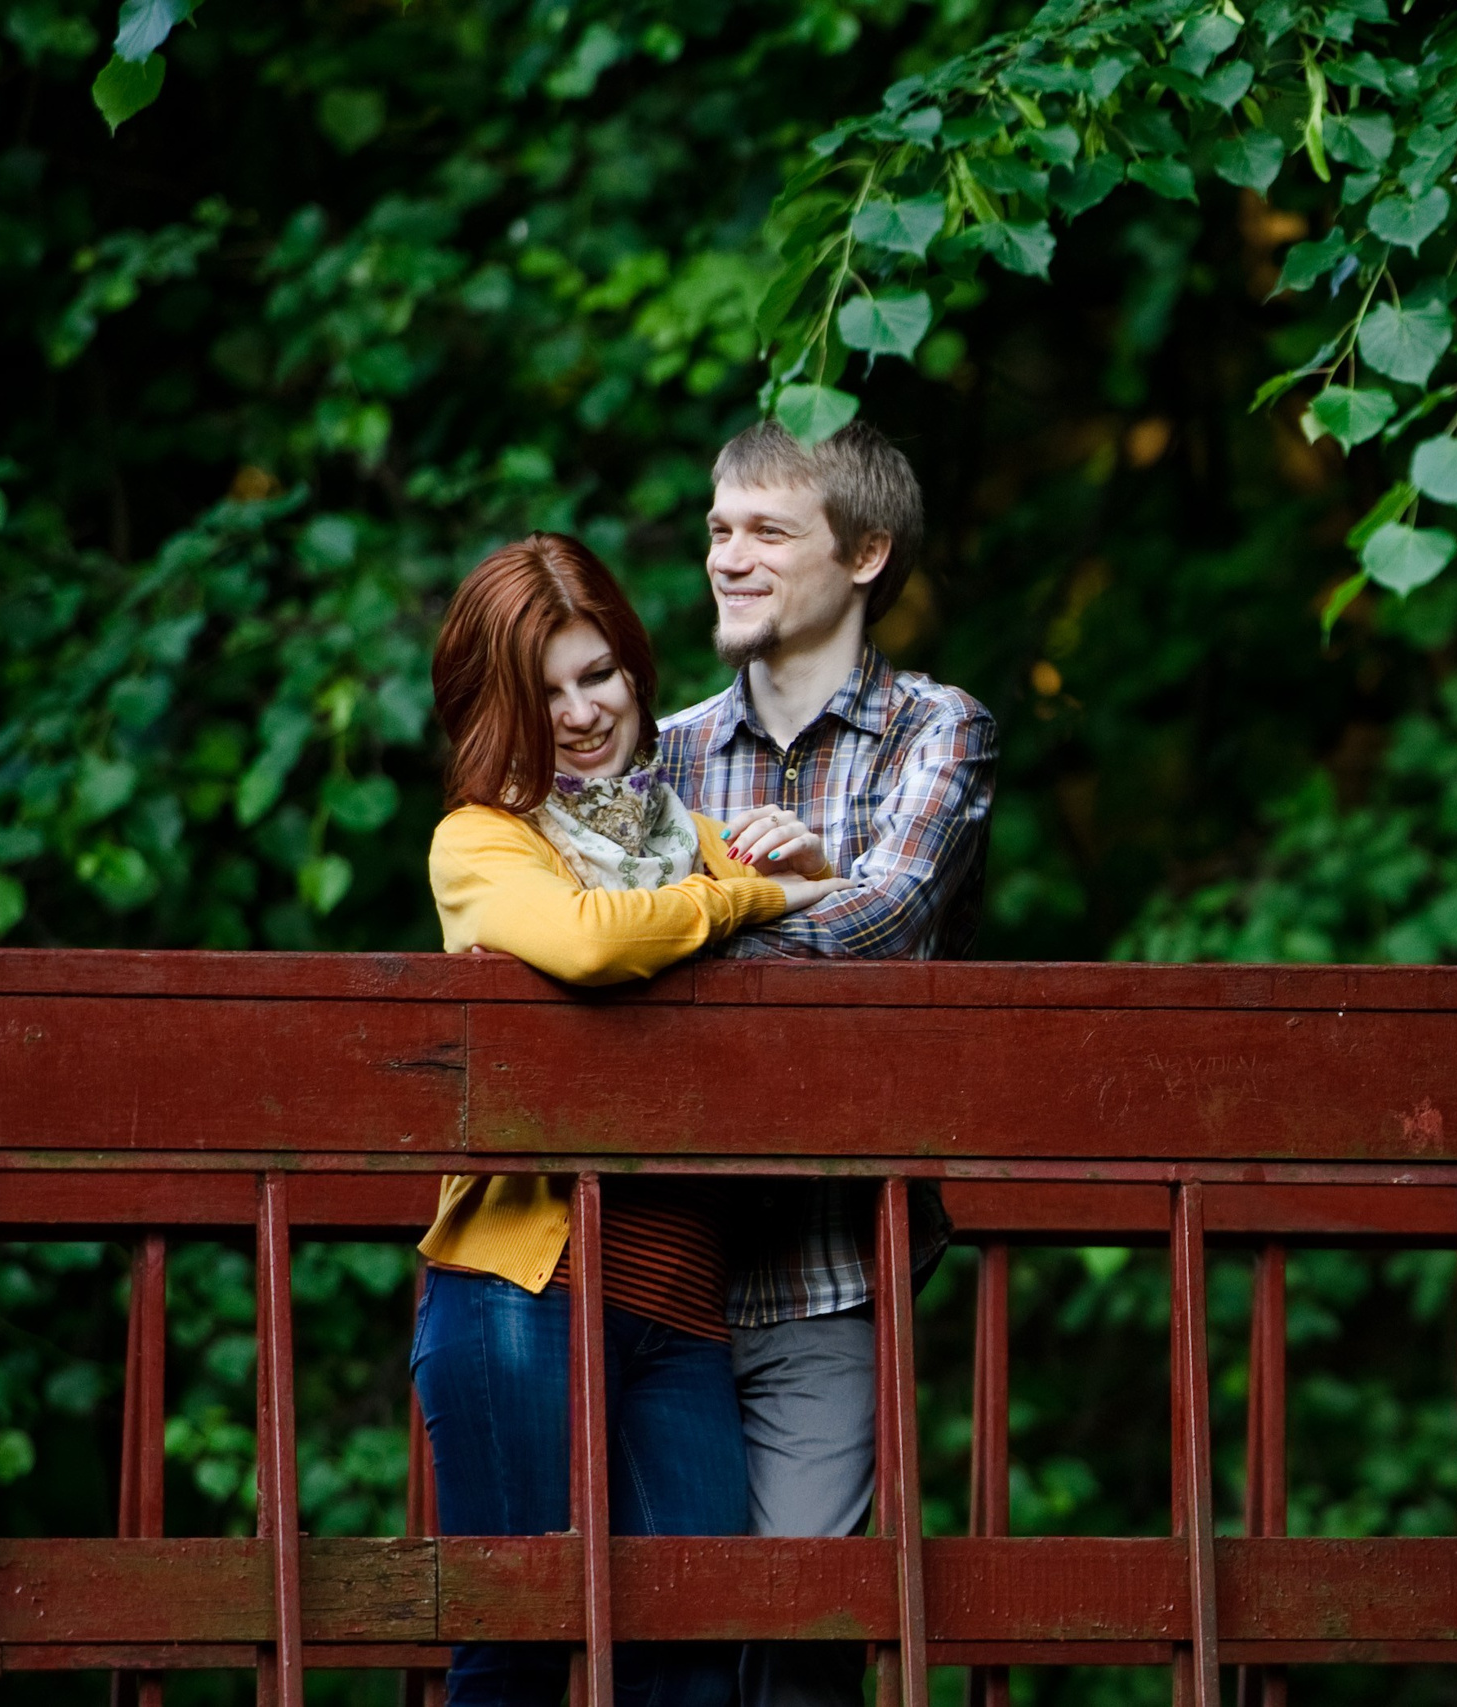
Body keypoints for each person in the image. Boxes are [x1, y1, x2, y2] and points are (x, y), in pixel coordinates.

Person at [411, 532, 851, 1707]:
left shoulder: (685, 838)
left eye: (596, 674)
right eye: (540, 691)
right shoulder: (483, 842)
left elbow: (819, 935)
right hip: (520, 1294)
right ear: (492, 706)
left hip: (675, 1300)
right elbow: (590, 940)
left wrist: (810, 874)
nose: (580, 713)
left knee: (690, 1663)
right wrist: (755, 895)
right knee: (513, 1649)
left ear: (636, 669)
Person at [657, 420, 996, 1707]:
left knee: (795, 1641)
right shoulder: (664, 750)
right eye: (717, 529)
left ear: (863, 553)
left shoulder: (936, 730)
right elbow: (599, 943)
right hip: (661, 1267)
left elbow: (892, 919)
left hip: (829, 1273)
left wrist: (735, 908)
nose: (726, 560)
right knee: (660, 1642)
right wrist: (781, 895)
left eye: (764, 532)